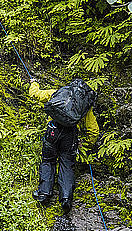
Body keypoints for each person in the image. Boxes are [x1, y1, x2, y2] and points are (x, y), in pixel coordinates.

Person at [29, 78, 99, 214]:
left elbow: (35, 94)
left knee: (48, 161)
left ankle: (44, 194)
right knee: (66, 164)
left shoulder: (58, 93)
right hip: (70, 135)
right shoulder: (84, 105)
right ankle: (66, 198)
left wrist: (34, 82)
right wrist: (86, 144)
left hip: (53, 130)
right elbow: (93, 130)